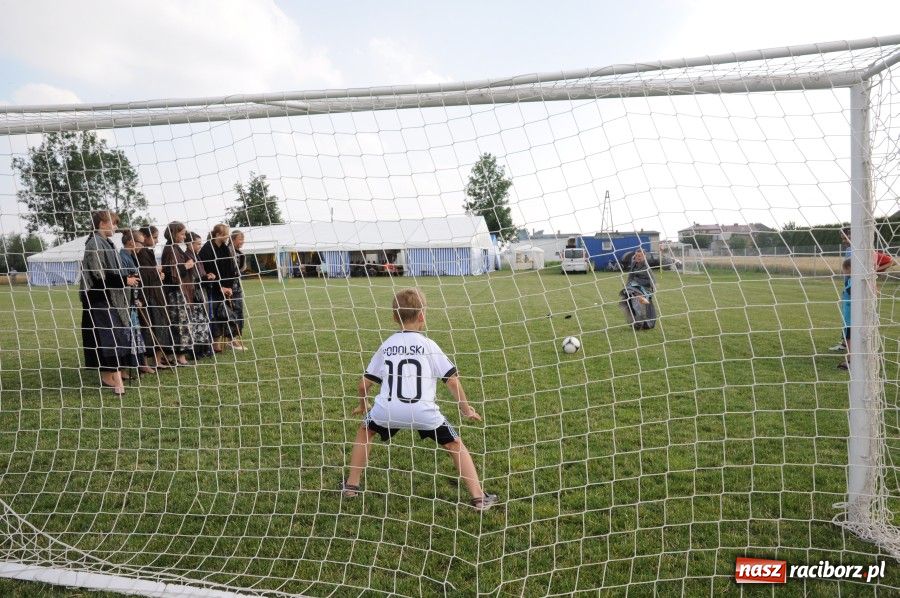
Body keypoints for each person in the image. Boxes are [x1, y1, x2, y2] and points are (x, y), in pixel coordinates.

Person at [342, 288, 498, 511]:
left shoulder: (387, 345)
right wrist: (465, 409)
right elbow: (452, 381)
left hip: (387, 410)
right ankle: (479, 498)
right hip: (424, 413)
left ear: (394, 317)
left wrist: (363, 404)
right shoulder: (429, 345)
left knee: (365, 431)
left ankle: (351, 486)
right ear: (422, 315)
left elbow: (363, 385)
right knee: (455, 444)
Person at [80, 210, 139, 396]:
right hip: (99, 300)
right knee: (109, 338)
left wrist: (126, 278)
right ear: (102, 223)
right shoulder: (94, 244)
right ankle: (117, 380)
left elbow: (112, 273)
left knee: (114, 337)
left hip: (110, 298)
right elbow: (99, 277)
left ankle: (108, 375)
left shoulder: (107, 243)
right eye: (113, 223)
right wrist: (124, 281)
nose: (115, 226)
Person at [829, 228, 895, 352]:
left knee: (860, 317)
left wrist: (875, 271)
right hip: (849, 287)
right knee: (848, 317)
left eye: (846, 237)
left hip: (860, 290)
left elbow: (891, 261)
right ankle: (846, 343)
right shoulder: (849, 250)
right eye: (842, 238)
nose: (844, 241)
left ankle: (860, 346)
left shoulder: (865, 251)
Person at [119, 229, 155, 375]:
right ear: (131, 242)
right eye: (140, 242)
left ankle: (140, 364)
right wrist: (133, 298)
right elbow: (126, 280)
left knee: (136, 334)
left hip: (134, 301)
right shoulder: (122, 257)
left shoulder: (132, 256)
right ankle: (123, 370)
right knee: (127, 335)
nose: (142, 245)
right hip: (127, 302)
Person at [198, 224, 238, 353]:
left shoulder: (225, 249)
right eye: (225, 234)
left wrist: (228, 287)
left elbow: (230, 269)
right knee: (214, 315)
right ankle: (214, 344)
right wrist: (219, 286)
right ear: (218, 235)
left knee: (224, 314)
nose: (227, 237)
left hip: (224, 288)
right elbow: (208, 271)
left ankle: (224, 341)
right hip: (212, 289)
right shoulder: (207, 249)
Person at [136, 226, 172, 369]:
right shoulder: (140, 253)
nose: (157, 241)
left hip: (157, 295)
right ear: (144, 236)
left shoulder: (149, 252)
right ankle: (145, 363)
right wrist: (156, 272)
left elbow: (152, 274)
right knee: (147, 329)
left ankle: (157, 360)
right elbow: (143, 275)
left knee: (160, 326)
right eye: (155, 237)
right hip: (147, 296)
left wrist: (160, 275)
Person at [160, 221, 196, 365]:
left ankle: (178, 355)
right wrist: (186, 266)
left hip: (181, 292)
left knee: (183, 323)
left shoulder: (176, 248)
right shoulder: (170, 249)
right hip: (175, 293)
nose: (184, 236)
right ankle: (179, 356)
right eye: (182, 233)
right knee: (180, 324)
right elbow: (172, 272)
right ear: (174, 234)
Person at [187, 231, 215, 359]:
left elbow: (200, 275)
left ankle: (204, 348)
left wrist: (207, 276)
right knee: (196, 322)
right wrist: (203, 278)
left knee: (203, 321)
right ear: (190, 243)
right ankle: (196, 350)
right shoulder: (187, 256)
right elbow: (192, 277)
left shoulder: (197, 256)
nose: (200, 246)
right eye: (197, 244)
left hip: (201, 292)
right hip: (194, 294)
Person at [619, 248, 658, 330]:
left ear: (644, 256)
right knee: (628, 298)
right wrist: (626, 285)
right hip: (634, 285)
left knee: (639, 300)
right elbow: (630, 275)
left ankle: (641, 322)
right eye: (636, 256)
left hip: (645, 287)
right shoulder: (634, 263)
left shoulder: (646, 267)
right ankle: (635, 320)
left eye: (640, 256)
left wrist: (653, 287)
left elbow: (652, 279)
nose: (638, 257)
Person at [229, 230, 247, 350]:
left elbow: (241, 268)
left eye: (243, 239)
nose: (242, 242)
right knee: (233, 312)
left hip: (236, 286)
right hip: (230, 287)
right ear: (233, 239)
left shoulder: (239, 252)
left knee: (239, 312)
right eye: (240, 239)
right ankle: (232, 339)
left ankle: (235, 338)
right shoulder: (229, 251)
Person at [838, 258, 852, 370]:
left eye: (844, 269)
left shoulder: (850, 281)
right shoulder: (864, 280)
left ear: (849, 269)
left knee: (849, 338)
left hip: (850, 318)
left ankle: (851, 360)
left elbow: (851, 293)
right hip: (859, 317)